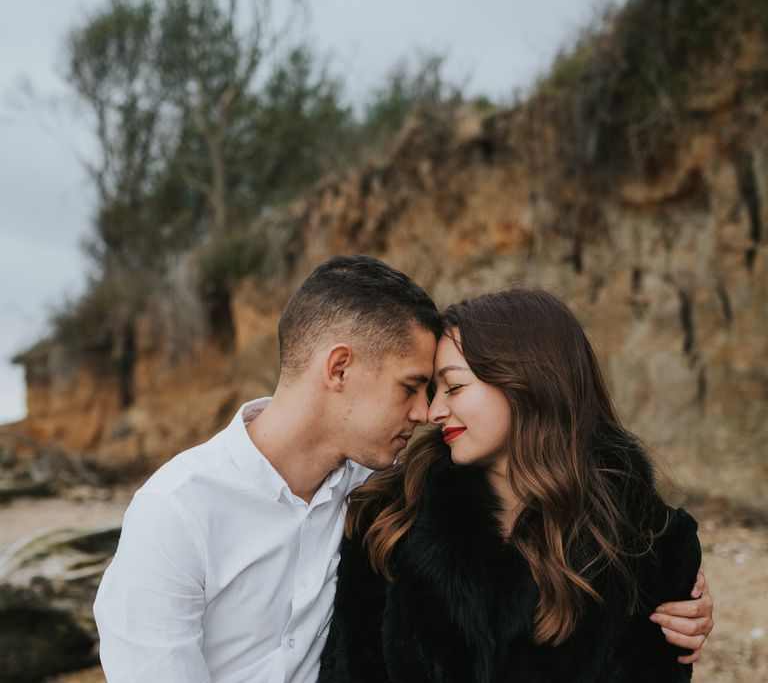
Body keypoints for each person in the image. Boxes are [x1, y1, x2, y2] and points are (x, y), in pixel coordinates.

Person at [94, 256, 711, 682]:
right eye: (414, 387)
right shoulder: (178, 511)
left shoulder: (374, 492)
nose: (425, 413)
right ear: (338, 370)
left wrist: (684, 597)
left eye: (442, 387)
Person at [319, 288, 711, 683]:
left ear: (528, 384)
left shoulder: (648, 541)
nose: (434, 412)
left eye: (454, 387)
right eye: (435, 393)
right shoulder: (389, 517)